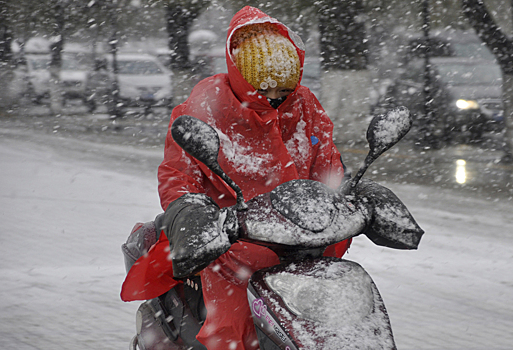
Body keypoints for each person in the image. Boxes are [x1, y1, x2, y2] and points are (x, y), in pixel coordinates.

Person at [121, 6, 350, 350]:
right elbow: (178, 176)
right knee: (233, 327)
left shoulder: (304, 106)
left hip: (305, 245)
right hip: (231, 244)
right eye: (265, 89)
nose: (275, 99)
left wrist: (349, 196)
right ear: (243, 77)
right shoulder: (205, 107)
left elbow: (327, 163)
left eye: (283, 90)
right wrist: (190, 211)